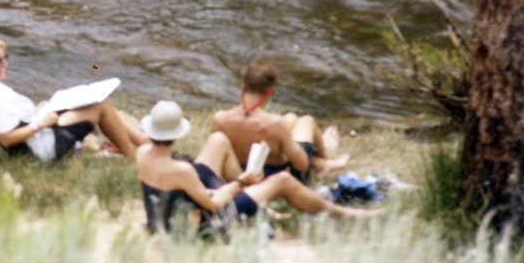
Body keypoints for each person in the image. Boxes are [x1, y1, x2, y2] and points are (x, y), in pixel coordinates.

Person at [136, 100, 381, 236]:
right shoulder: (181, 170)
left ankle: (258, 198)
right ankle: (344, 214)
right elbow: (213, 204)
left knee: (218, 140)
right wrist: (241, 182)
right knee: (282, 180)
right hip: (202, 227)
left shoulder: (142, 153)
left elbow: (189, 193)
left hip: (165, 216)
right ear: (177, 134)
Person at [0, 36, 147, 162]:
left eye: (5, 58)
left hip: (36, 136)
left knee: (88, 99)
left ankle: (144, 143)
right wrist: (40, 124)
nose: (5, 64)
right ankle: (134, 157)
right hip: (42, 148)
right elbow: (5, 138)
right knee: (100, 105)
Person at [210, 60, 349, 182]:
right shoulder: (276, 124)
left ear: (242, 87)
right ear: (269, 91)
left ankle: (323, 162)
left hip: (238, 173)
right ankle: (325, 157)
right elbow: (301, 165)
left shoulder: (220, 118)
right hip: (273, 177)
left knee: (291, 117)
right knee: (307, 120)